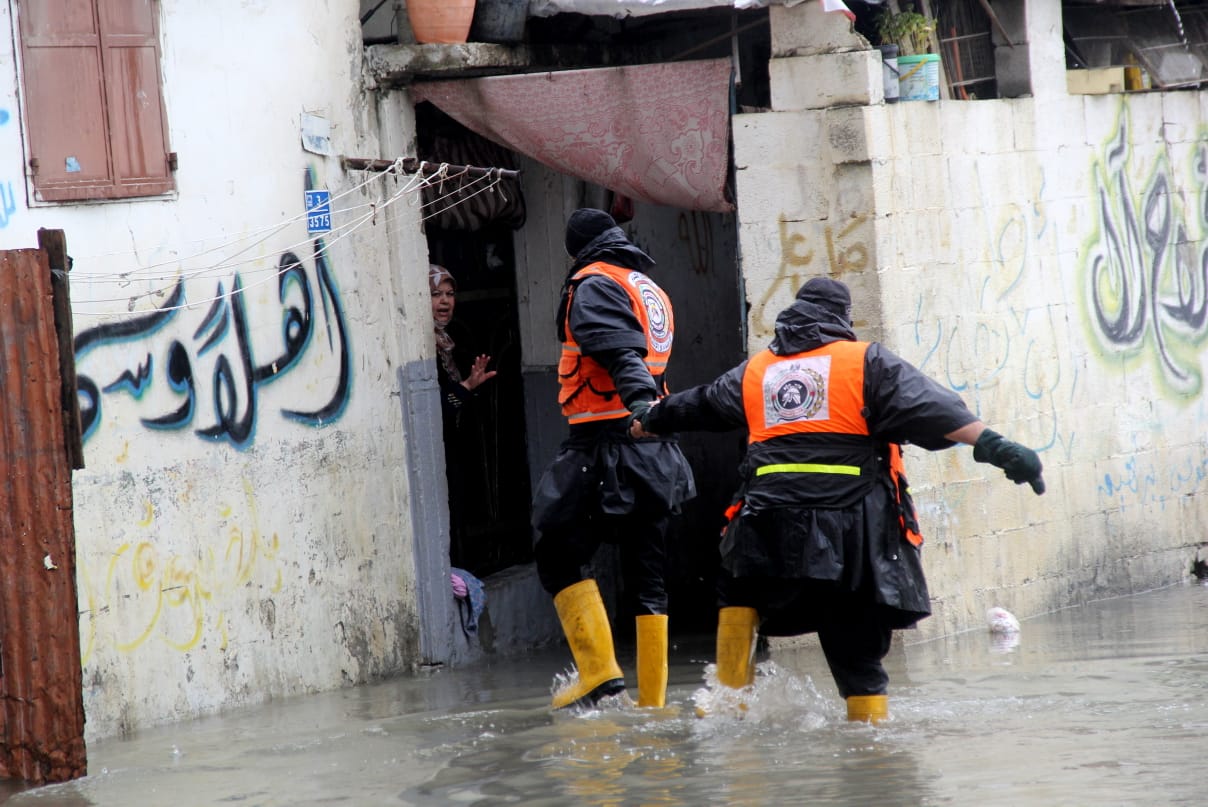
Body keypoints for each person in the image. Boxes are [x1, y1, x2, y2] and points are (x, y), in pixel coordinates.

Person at [630, 276, 1044, 723]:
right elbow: (935, 410)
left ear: (794, 316)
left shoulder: (757, 370)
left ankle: (730, 715)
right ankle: (871, 751)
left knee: (738, 594)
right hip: (853, 530)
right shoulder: (865, 362)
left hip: (766, 525)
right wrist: (1001, 449)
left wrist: (646, 421)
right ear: (841, 320)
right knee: (856, 647)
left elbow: (699, 405)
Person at [531, 208, 696, 710]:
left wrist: (640, 405)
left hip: (607, 440)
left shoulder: (594, 283)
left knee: (556, 548)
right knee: (648, 568)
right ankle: (654, 705)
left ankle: (600, 674)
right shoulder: (647, 286)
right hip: (652, 445)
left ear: (574, 250)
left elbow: (622, 353)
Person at [430, 264, 496, 571]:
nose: (445, 302)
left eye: (450, 293)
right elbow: (433, 407)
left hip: (454, 451)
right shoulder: (422, 346)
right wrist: (467, 386)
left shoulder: (449, 342)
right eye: (435, 294)